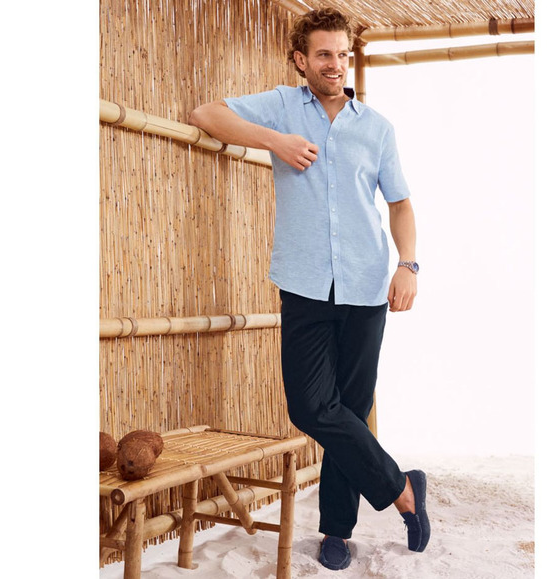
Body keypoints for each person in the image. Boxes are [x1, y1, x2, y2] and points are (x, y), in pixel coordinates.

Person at [188, 7, 429, 571]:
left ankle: (336, 532)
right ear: (301, 60)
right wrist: (275, 140)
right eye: (324, 54)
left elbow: (399, 203)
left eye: (342, 54)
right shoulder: (281, 106)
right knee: (310, 406)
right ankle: (402, 489)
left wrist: (409, 265)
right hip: (303, 285)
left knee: (351, 410)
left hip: (366, 285)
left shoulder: (377, 128)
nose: (335, 64)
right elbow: (206, 114)